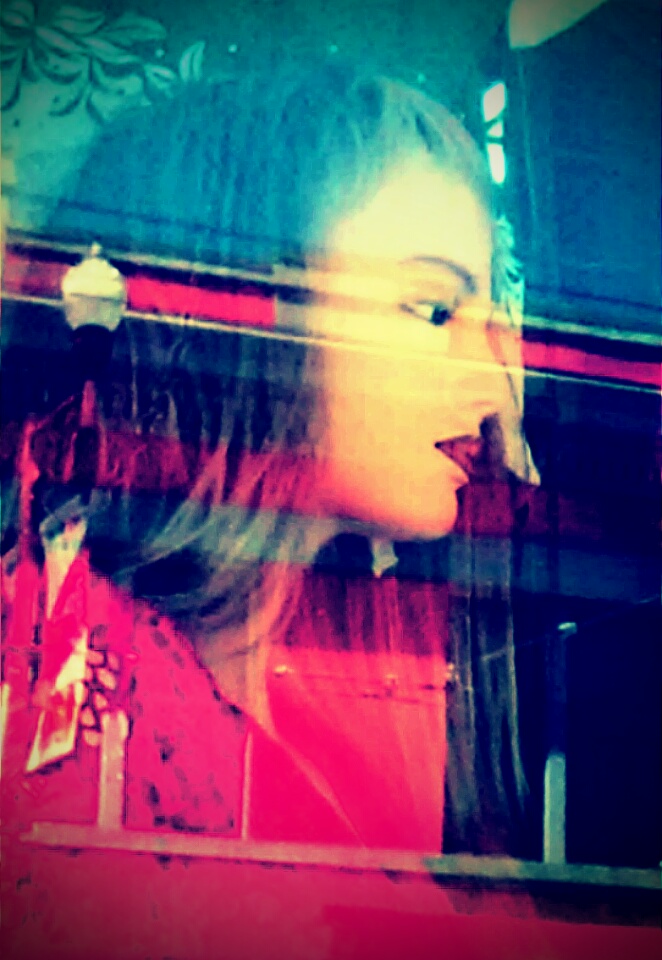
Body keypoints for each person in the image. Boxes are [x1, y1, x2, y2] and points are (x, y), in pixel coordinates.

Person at [1, 63, 537, 879]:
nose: (491, 385)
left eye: (492, 323)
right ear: (255, 312)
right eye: (433, 309)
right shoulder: (64, 674)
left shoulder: (362, 686)